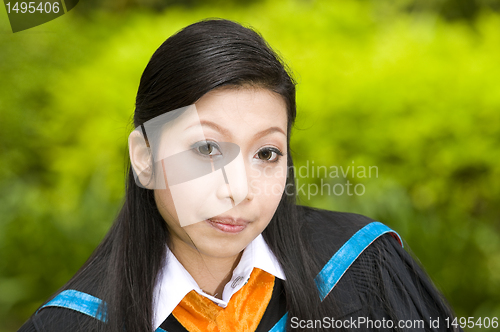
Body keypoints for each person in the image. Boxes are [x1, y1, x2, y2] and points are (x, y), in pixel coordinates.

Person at [18, 19, 461, 332]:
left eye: (266, 153)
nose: (240, 190)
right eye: (207, 148)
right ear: (144, 157)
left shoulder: (361, 269)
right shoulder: (73, 323)